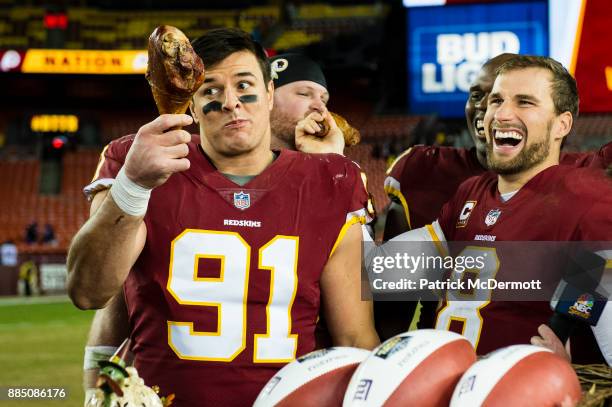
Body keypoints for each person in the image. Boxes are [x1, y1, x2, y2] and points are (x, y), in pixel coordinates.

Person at [67, 28, 379, 406]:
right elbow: (88, 291)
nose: (231, 102)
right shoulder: (138, 159)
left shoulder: (331, 178)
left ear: (268, 94)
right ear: (193, 107)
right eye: (211, 90)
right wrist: (133, 185)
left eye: (244, 85)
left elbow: (355, 338)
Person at [374, 55, 611, 364]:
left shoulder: (586, 201)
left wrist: (566, 365)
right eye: (496, 100)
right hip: (447, 385)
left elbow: (595, 297)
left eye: (524, 102)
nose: (500, 113)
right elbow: (382, 272)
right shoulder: (471, 193)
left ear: (562, 124)